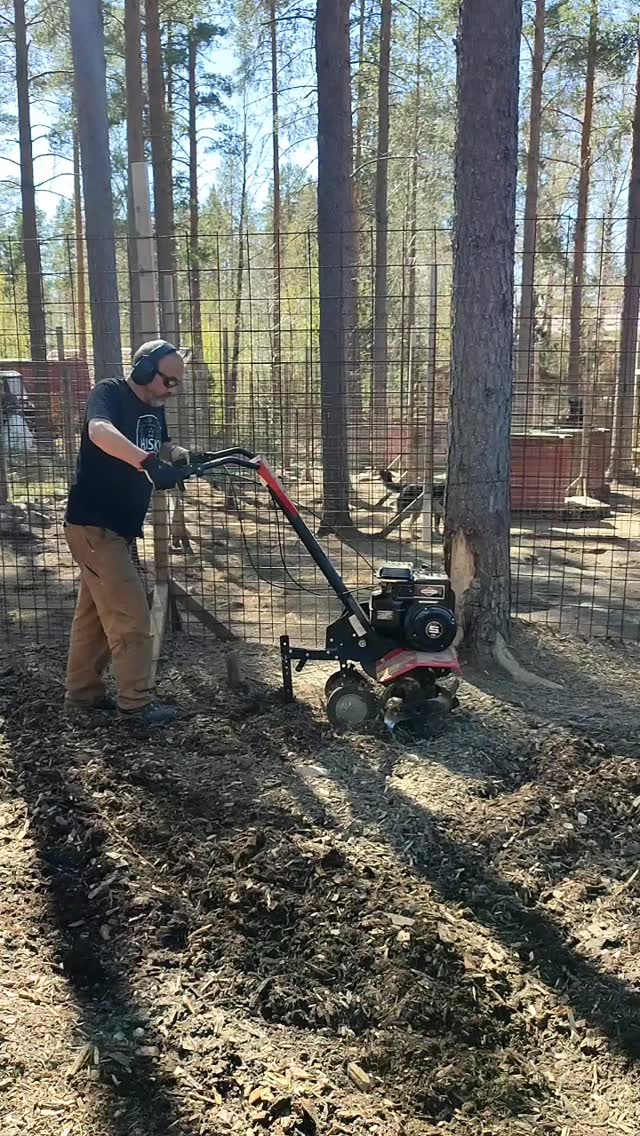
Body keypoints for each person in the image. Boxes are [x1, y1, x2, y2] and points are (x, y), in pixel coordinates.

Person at [63, 340, 191, 726]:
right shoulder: (110, 393)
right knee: (132, 615)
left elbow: (161, 445)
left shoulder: (154, 408)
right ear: (143, 371)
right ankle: (136, 704)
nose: (172, 390)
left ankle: (82, 695)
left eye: (177, 384)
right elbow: (99, 431)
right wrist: (146, 462)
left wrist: (177, 455)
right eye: (168, 381)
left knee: (94, 617)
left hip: (116, 530)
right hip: (93, 524)